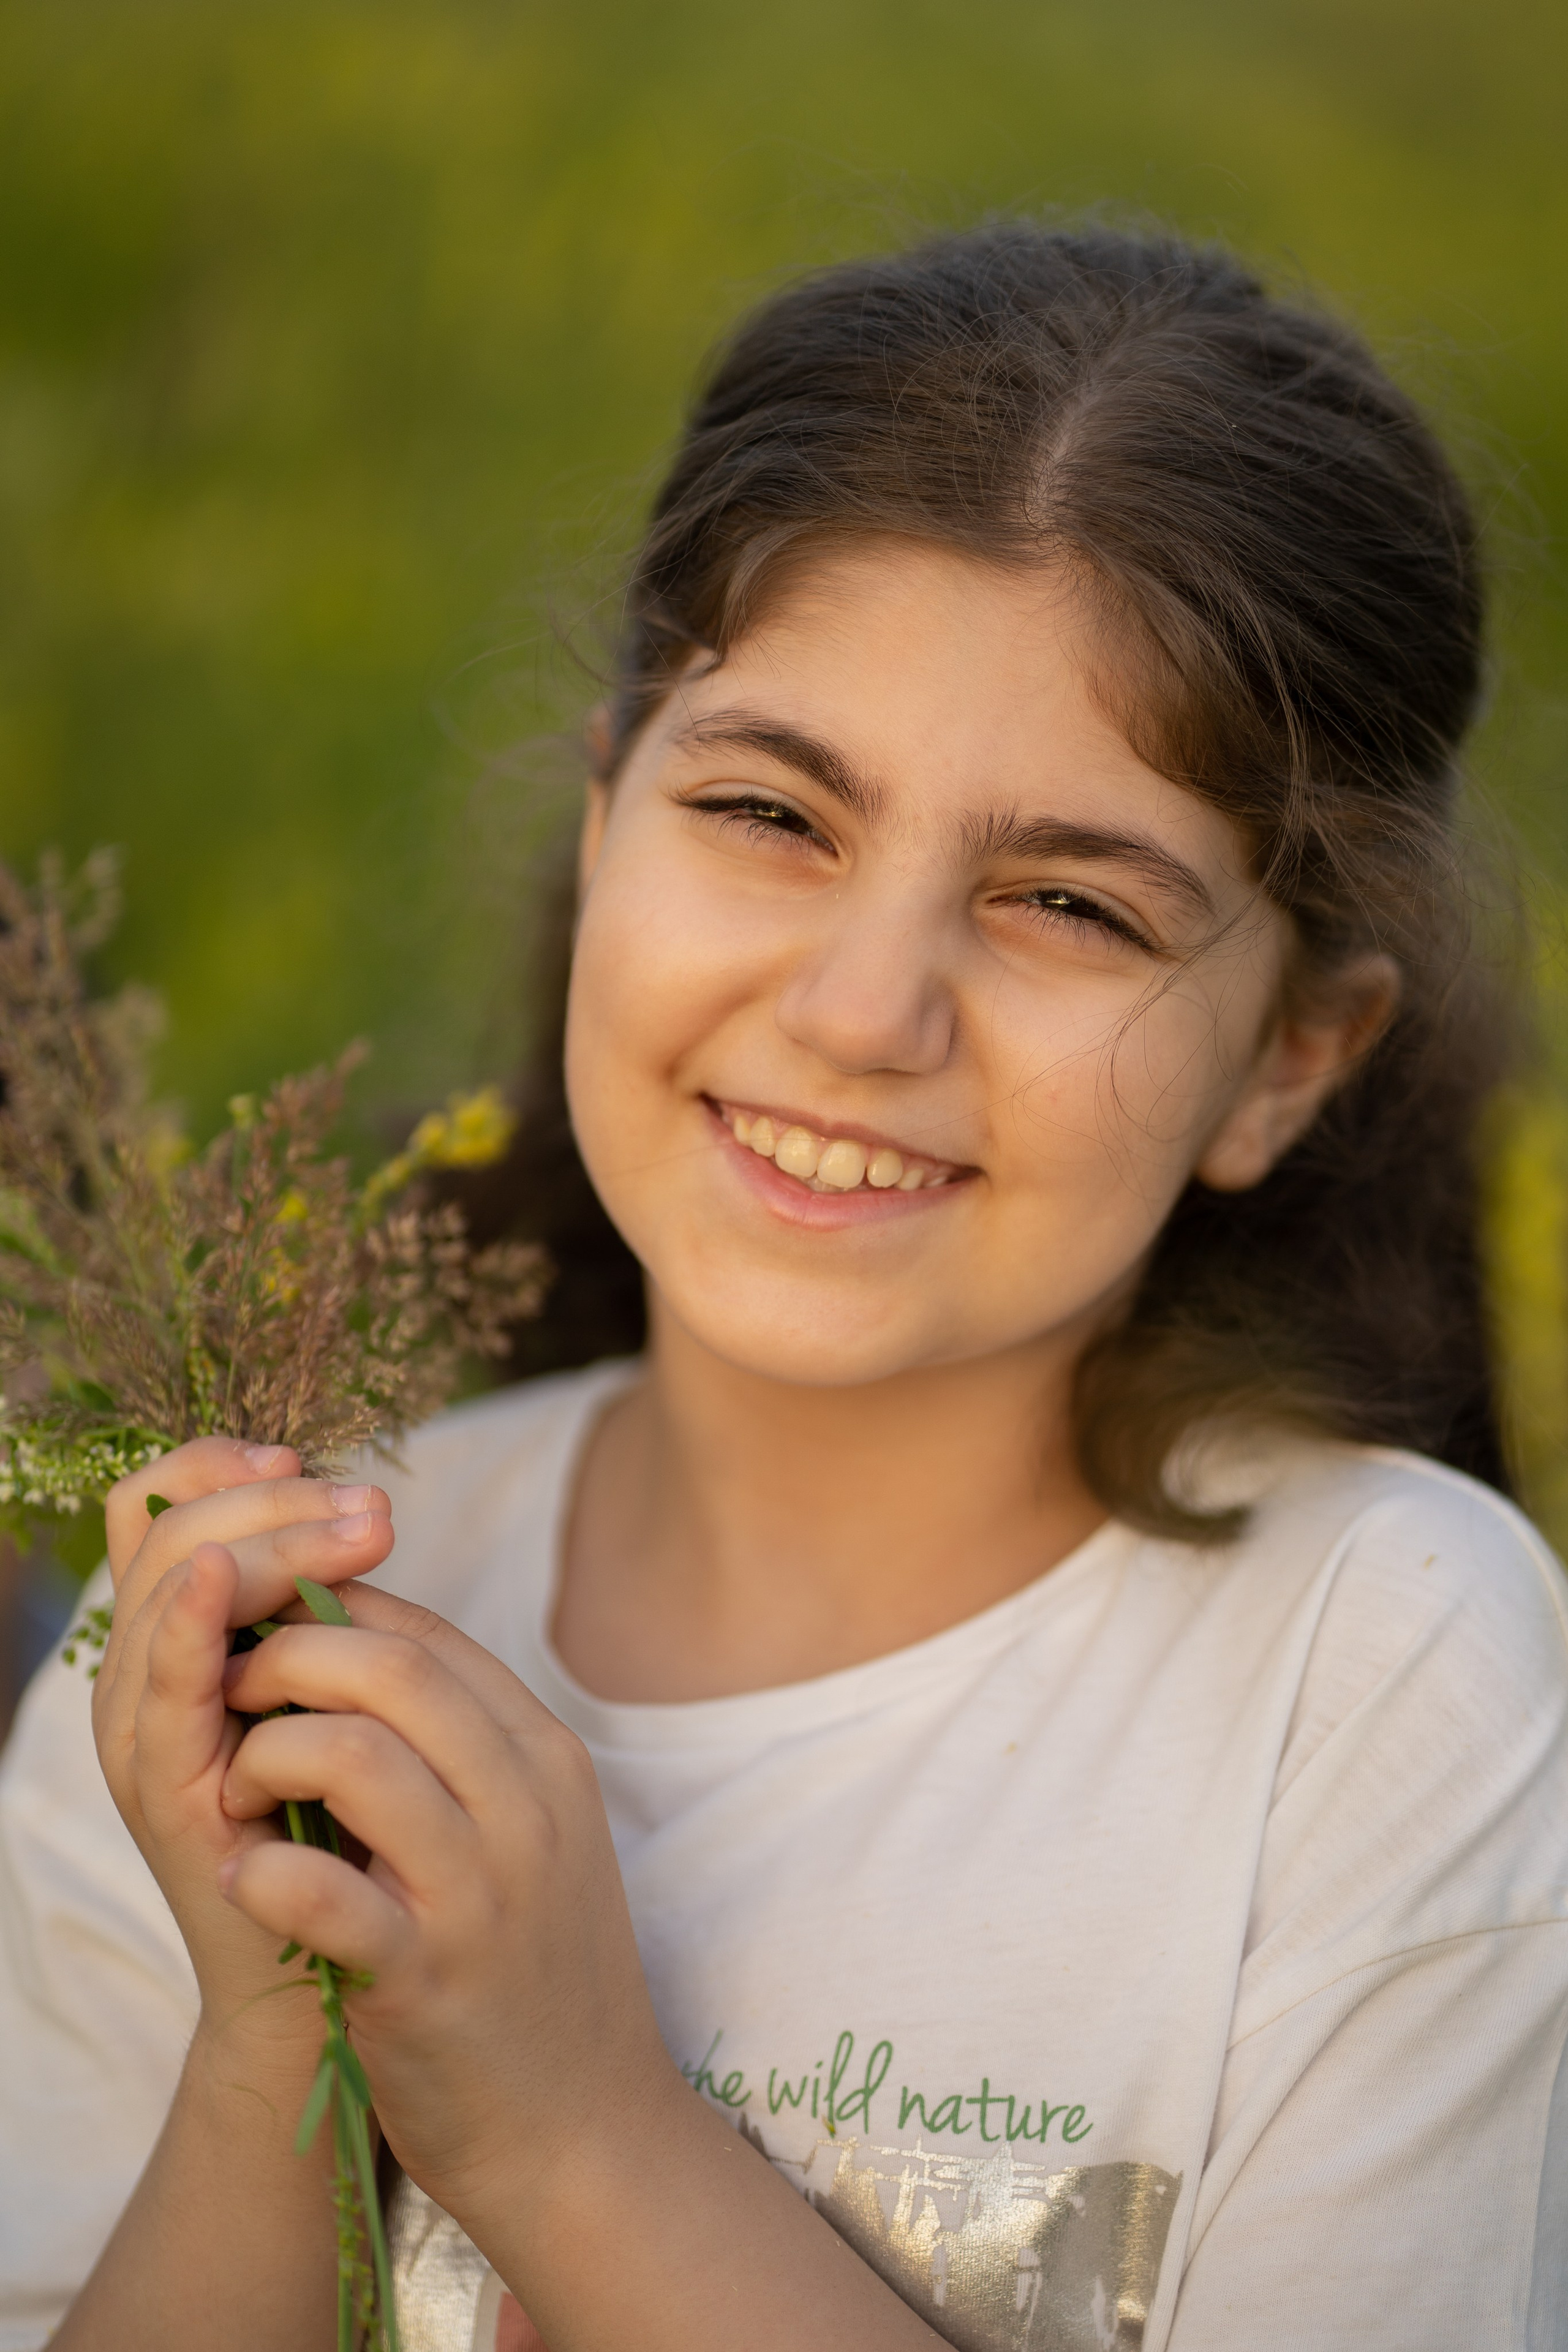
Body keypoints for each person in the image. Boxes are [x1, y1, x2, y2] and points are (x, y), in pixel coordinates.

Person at [2, 221, 1566, 2352]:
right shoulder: (258, 1619)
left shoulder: (1378, 1684)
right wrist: (271, 2049)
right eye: (768, 811)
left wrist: (578, 2133)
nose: (862, 1010)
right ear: (606, 818)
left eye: (1072, 909)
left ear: (1287, 1058)